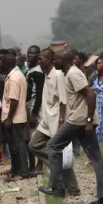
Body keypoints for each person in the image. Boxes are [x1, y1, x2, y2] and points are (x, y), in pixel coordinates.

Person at [40, 50, 103, 204]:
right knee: (96, 158)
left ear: (64, 60)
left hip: (79, 120)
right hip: (82, 119)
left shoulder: (73, 74)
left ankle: (57, 187)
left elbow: (91, 95)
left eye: (57, 59)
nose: (55, 62)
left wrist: (88, 121)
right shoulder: (70, 73)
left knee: (52, 146)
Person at [28, 49, 80, 196]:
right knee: (34, 145)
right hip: (46, 121)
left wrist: (62, 122)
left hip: (56, 121)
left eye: (41, 59)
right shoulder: (47, 75)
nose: (39, 62)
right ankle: (61, 173)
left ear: (50, 59)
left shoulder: (57, 75)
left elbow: (63, 101)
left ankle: (72, 187)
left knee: (56, 152)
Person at [1, 53, 29, 181]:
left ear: (7, 63)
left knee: (18, 145)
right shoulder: (16, 75)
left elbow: (14, 100)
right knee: (15, 145)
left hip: (14, 117)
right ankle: (16, 170)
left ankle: (22, 172)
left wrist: (8, 118)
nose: (0, 64)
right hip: (16, 117)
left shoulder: (14, 78)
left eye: (2, 62)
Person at [26, 45, 45, 176]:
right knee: (29, 137)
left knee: (35, 137)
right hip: (29, 106)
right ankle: (32, 165)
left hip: (35, 108)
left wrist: (33, 114)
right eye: (29, 53)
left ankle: (40, 165)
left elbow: (39, 95)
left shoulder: (37, 73)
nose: (29, 56)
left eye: (33, 53)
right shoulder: (30, 70)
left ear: (38, 56)